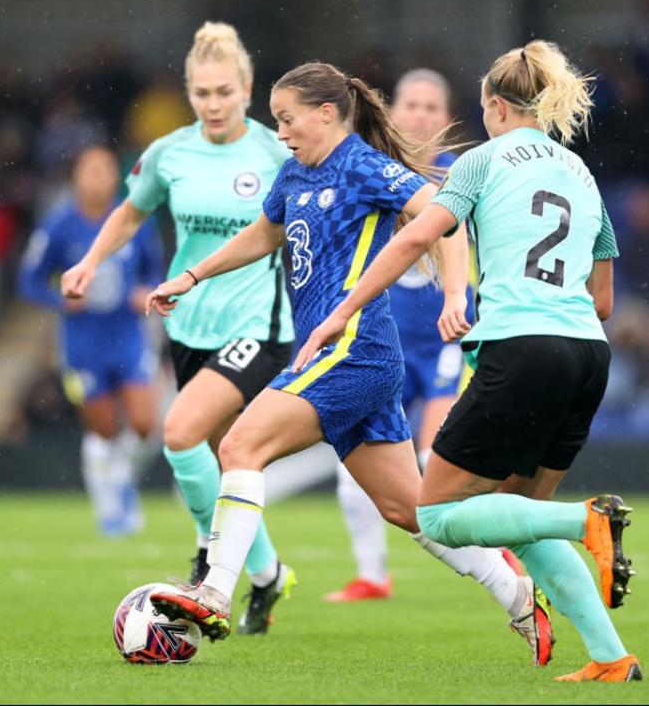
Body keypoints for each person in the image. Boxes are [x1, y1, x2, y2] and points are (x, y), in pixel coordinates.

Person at [146, 61, 554, 667]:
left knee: (238, 447)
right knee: (412, 511)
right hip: (339, 355)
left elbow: (445, 215)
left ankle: (214, 590)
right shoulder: (293, 174)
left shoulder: (363, 165)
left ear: (328, 114)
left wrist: (453, 294)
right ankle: (518, 593)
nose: (281, 132)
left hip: (354, 349)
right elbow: (263, 235)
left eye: (288, 120)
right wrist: (191, 274)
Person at [294, 41, 642, 683]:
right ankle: (610, 656)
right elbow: (602, 299)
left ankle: (587, 520)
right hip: (588, 356)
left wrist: (343, 310)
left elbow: (417, 236)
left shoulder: (479, 162)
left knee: (437, 514)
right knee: (520, 519)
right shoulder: (582, 173)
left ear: (494, 106)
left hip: (522, 348)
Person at [60, 22, 296, 635]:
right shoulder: (169, 153)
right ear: (189, 93)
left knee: (179, 432)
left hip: (260, 325)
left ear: (247, 88)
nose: (213, 104)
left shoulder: (275, 152)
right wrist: (89, 263)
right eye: (201, 93)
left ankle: (208, 562)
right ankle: (268, 575)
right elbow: (130, 212)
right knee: (220, 459)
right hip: (189, 324)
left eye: (224, 91)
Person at [325, 68, 503, 603]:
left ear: (447, 119)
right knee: (354, 464)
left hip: (446, 340)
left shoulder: (465, 176)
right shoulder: (372, 171)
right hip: (382, 343)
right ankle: (372, 575)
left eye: (432, 106)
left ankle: (502, 546)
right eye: (411, 104)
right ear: (392, 110)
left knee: (434, 462)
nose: (421, 114)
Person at [19, 145, 163, 537]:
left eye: (104, 171)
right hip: (83, 344)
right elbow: (28, 281)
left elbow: (156, 270)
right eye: (89, 171)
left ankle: (121, 480)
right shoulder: (59, 225)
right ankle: (109, 510)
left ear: (114, 177)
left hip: (128, 336)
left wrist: (146, 292)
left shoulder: (133, 219)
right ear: (76, 178)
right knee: (101, 429)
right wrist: (61, 300)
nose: (97, 179)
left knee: (145, 423)